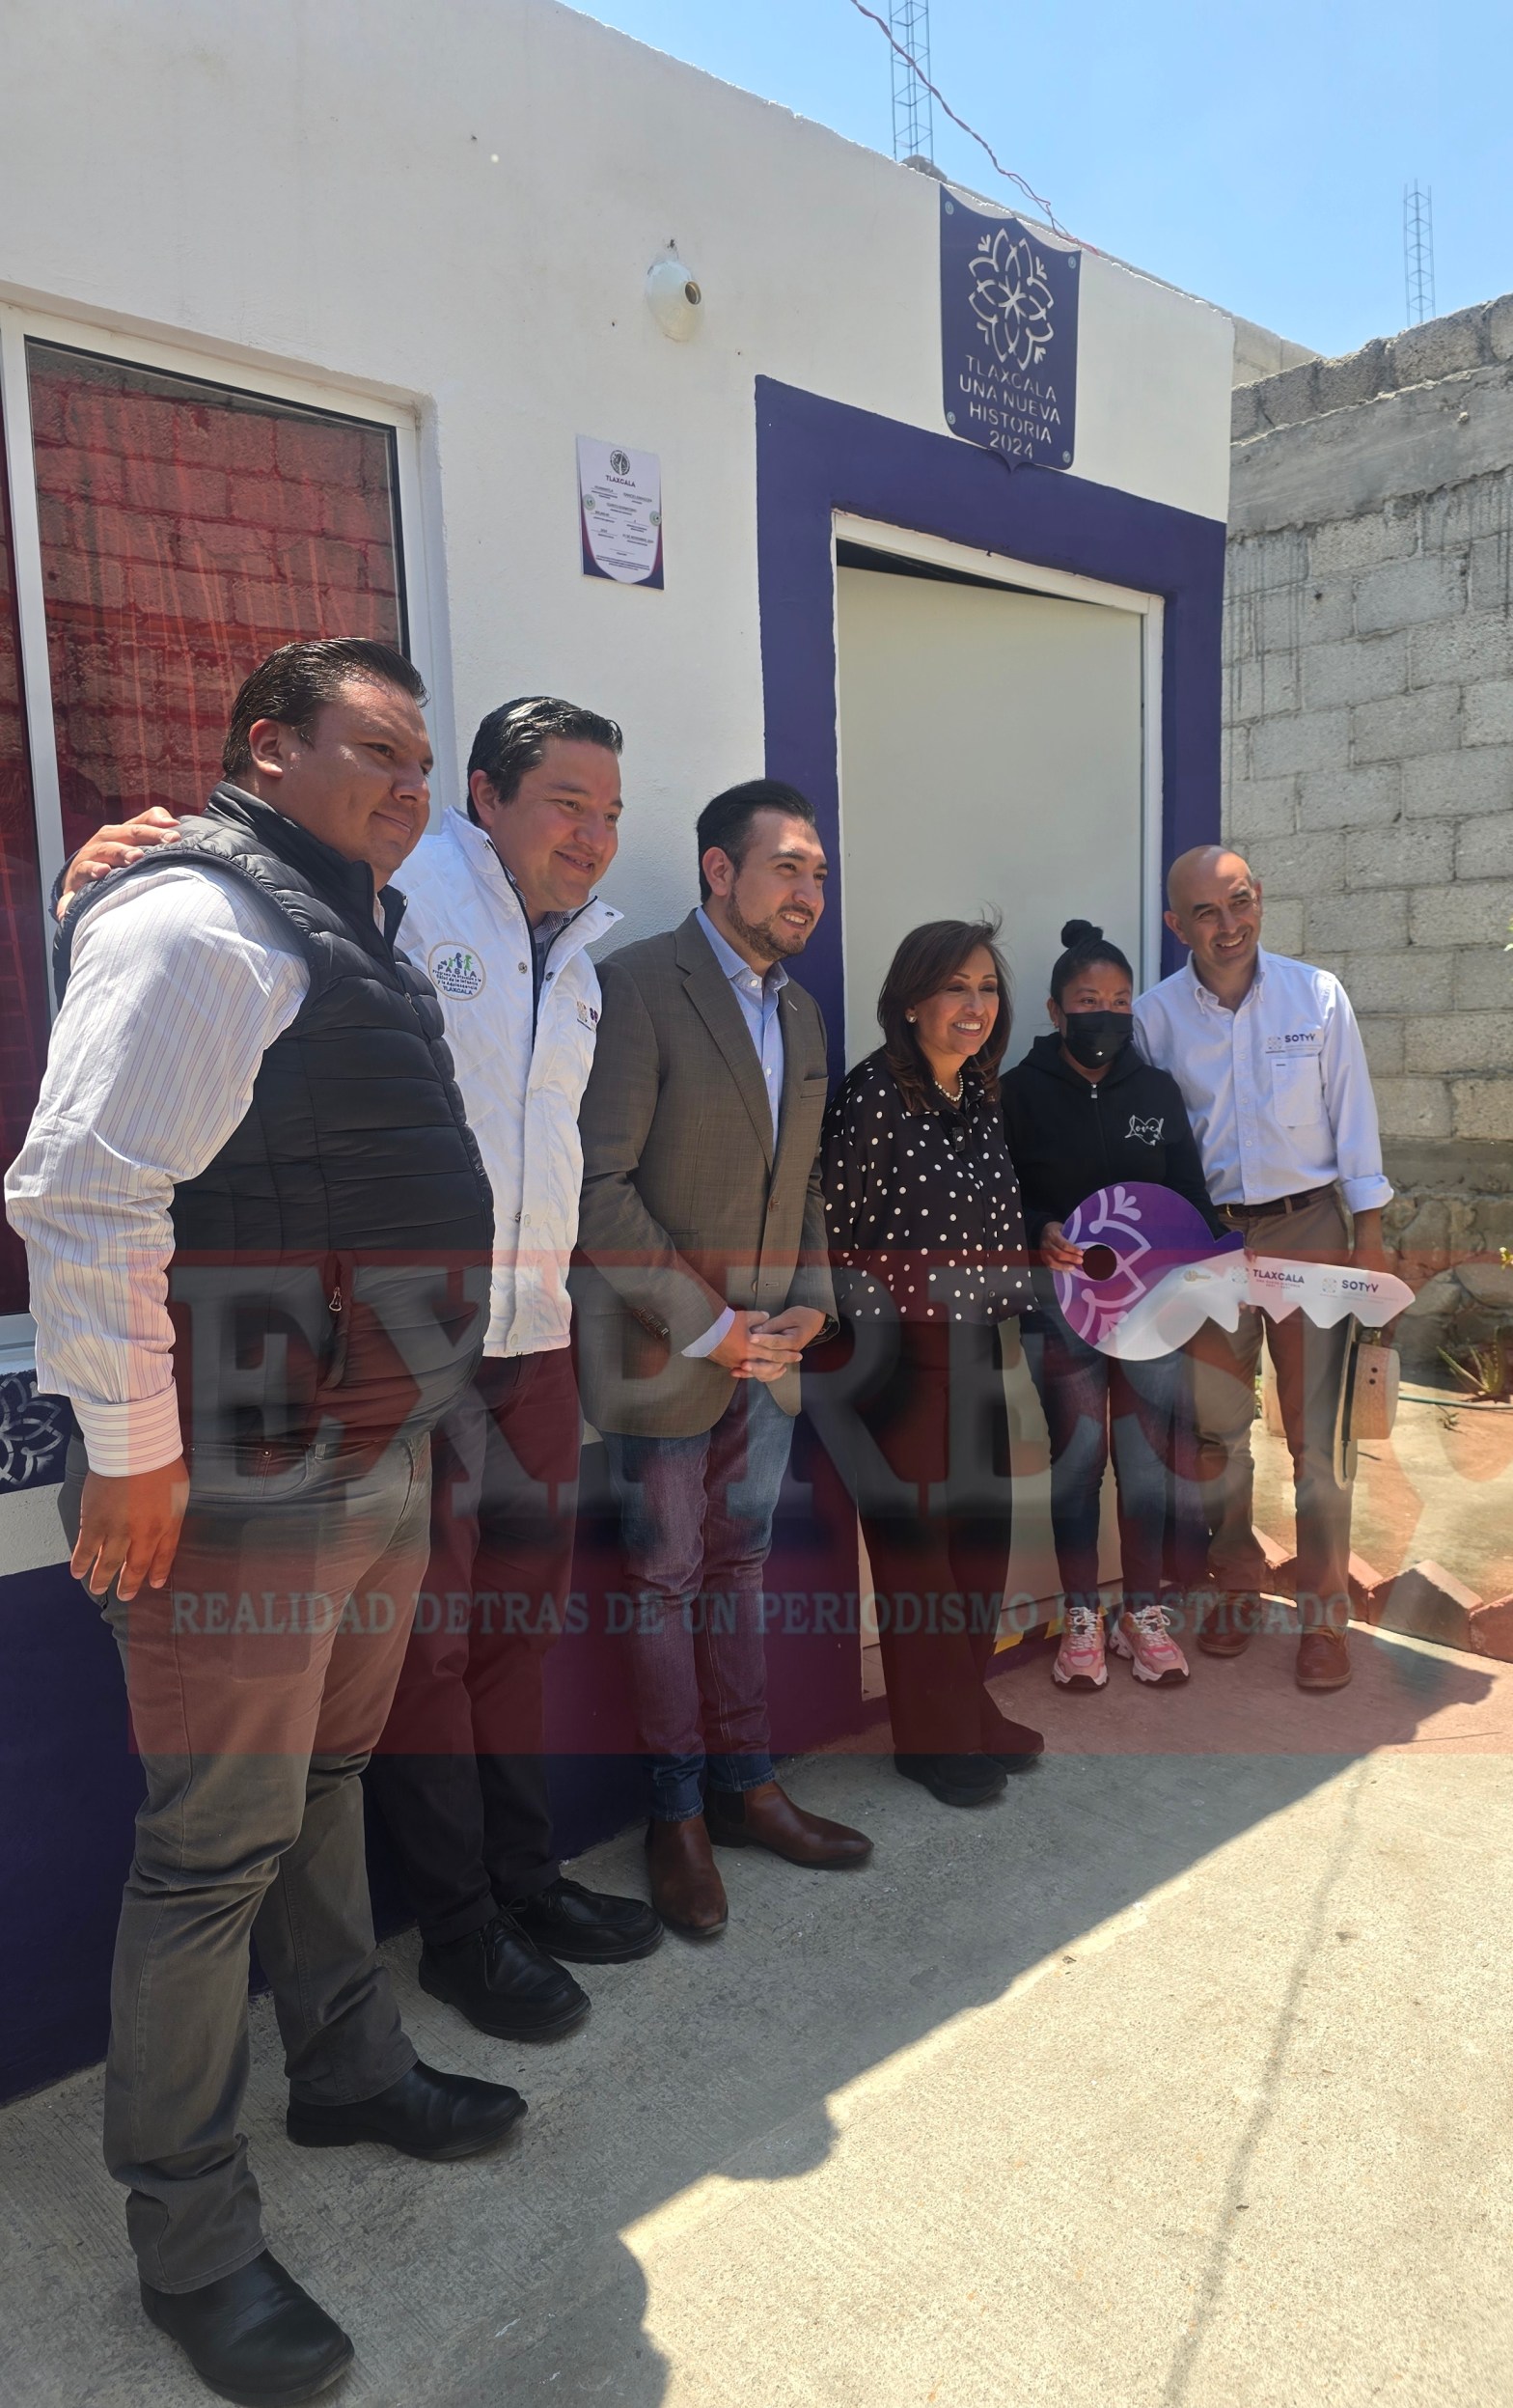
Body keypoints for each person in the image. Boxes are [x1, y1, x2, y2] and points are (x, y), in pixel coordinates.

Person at [5, 641, 523, 2406]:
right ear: (265, 751)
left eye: (421, 759)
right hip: (233, 1481)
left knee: (326, 1786)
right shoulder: (196, 920)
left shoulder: (345, 929)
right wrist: (132, 1451)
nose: (408, 784)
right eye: (374, 749)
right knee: (211, 1852)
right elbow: (86, 1193)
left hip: (366, 1454)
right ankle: (192, 2238)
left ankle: (350, 2067)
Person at [58, 696, 666, 2052]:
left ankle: (523, 1882)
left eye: (613, 813)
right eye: (567, 803)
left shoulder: (580, 954)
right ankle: (459, 1928)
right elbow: (244, 884)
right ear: (488, 799)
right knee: (420, 1667)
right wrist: (119, 862)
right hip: (404, 1367)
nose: (593, 835)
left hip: (533, 1341)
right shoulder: (403, 889)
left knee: (510, 1638)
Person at [571, 778, 872, 1938]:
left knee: (739, 1565)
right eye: (786, 866)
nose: (808, 891)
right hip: (664, 1352)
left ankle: (748, 1789)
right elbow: (597, 1188)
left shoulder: (801, 1014)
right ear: (717, 869)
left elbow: (802, 1184)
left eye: (817, 873)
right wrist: (708, 1324)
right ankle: (676, 1816)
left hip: (768, 1358)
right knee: (663, 1579)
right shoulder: (636, 985)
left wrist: (809, 1305)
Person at [1135, 845, 1393, 1693]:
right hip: (1211, 1244)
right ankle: (1237, 1585)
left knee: (1319, 1437)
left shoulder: (1316, 996)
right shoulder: (1154, 1019)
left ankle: (1323, 1618)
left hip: (1310, 1228)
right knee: (1217, 1432)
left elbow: (1354, 1120)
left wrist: (1368, 1238)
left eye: (1240, 902)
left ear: (1260, 900)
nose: (1228, 925)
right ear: (1176, 924)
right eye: (1206, 912)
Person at [817, 918, 1043, 1810]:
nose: (975, 1005)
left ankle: (966, 1707)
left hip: (980, 1341)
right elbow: (834, 1231)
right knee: (921, 1559)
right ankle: (931, 1737)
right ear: (910, 1001)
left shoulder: (978, 1093)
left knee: (980, 1545)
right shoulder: (874, 1096)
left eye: (986, 987)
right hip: (902, 1353)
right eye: (956, 986)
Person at [1002, 918, 1223, 1693]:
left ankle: (1143, 1614)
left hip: (1152, 1309)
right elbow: (1001, 1198)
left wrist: (1213, 1260)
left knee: (1147, 1462)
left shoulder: (1155, 1090)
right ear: (1056, 1011)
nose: (1107, 1014)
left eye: (1121, 1001)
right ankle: (1081, 1618)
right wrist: (1039, 1229)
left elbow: (1188, 1193)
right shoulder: (1017, 1093)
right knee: (1078, 1461)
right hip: (1062, 1309)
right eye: (1089, 1001)